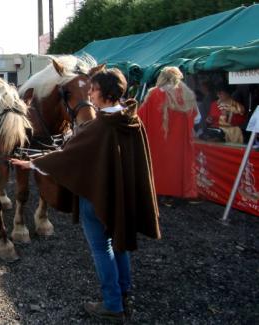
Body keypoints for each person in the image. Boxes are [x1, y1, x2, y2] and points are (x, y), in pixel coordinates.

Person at [11, 68, 161, 323]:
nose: (89, 94)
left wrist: (31, 163)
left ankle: (113, 304)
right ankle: (124, 292)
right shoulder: (133, 120)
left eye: (92, 89)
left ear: (104, 93)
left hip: (96, 196)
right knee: (120, 242)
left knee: (103, 249)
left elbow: (66, 156)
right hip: (121, 196)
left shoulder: (99, 126)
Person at [138, 66, 199, 205]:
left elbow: (141, 117)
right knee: (176, 166)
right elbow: (196, 117)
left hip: (156, 140)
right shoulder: (185, 94)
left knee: (158, 166)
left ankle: (159, 194)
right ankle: (173, 195)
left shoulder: (153, 94)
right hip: (178, 141)